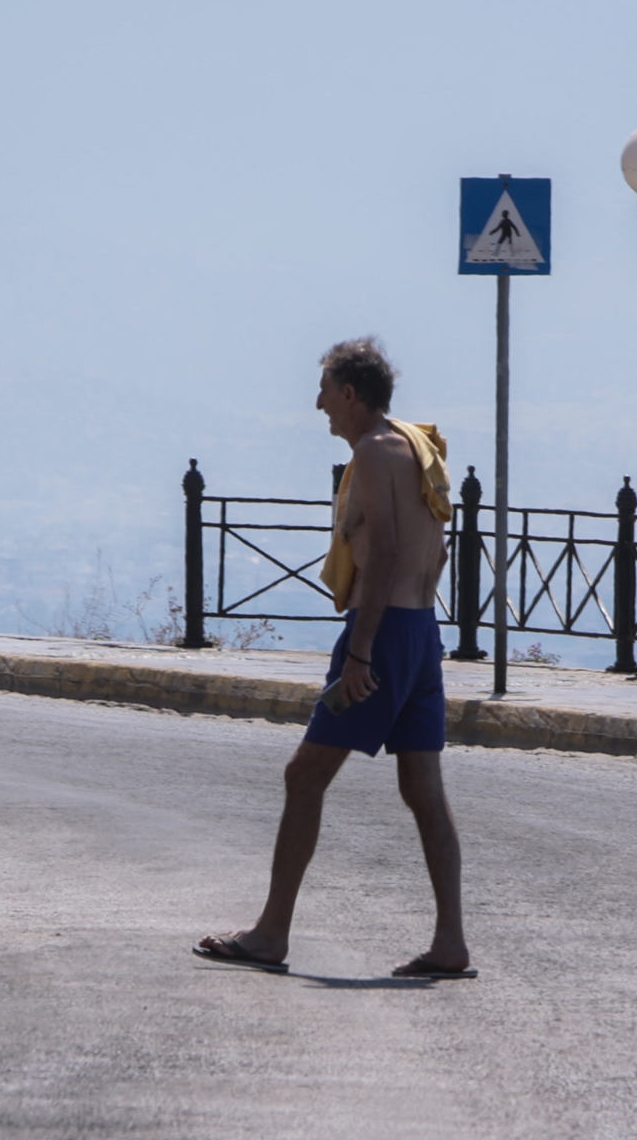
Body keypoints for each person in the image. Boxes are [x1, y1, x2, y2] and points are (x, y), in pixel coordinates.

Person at [195, 338, 475, 980]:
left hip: (386, 636)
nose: (318, 403)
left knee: (304, 776)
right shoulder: (411, 443)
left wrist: (360, 652)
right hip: (421, 633)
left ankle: (270, 935)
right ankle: (451, 942)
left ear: (351, 393)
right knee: (423, 789)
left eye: (325, 390)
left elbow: (386, 557)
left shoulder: (376, 451)